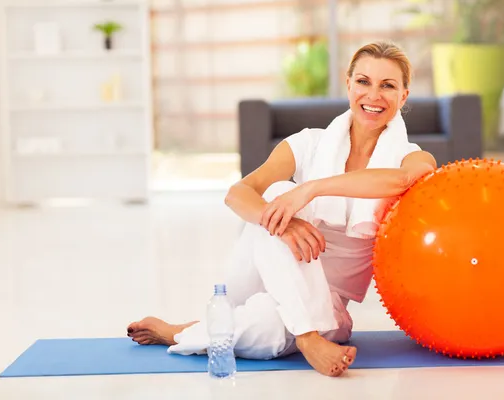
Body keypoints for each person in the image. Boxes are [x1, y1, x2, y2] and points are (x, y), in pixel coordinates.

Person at [127, 40, 437, 377]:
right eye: (363, 81)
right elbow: (237, 193)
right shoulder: (308, 143)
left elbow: (405, 179)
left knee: (269, 329)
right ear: (348, 84)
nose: (373, 95)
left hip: (327, 301)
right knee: (276, 191)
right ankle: (306, 338)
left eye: (387, 86)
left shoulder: (411, 156)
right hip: (261, 269)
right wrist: (281, 222)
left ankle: (179, 331)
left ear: (404, 96)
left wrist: (312, 188)